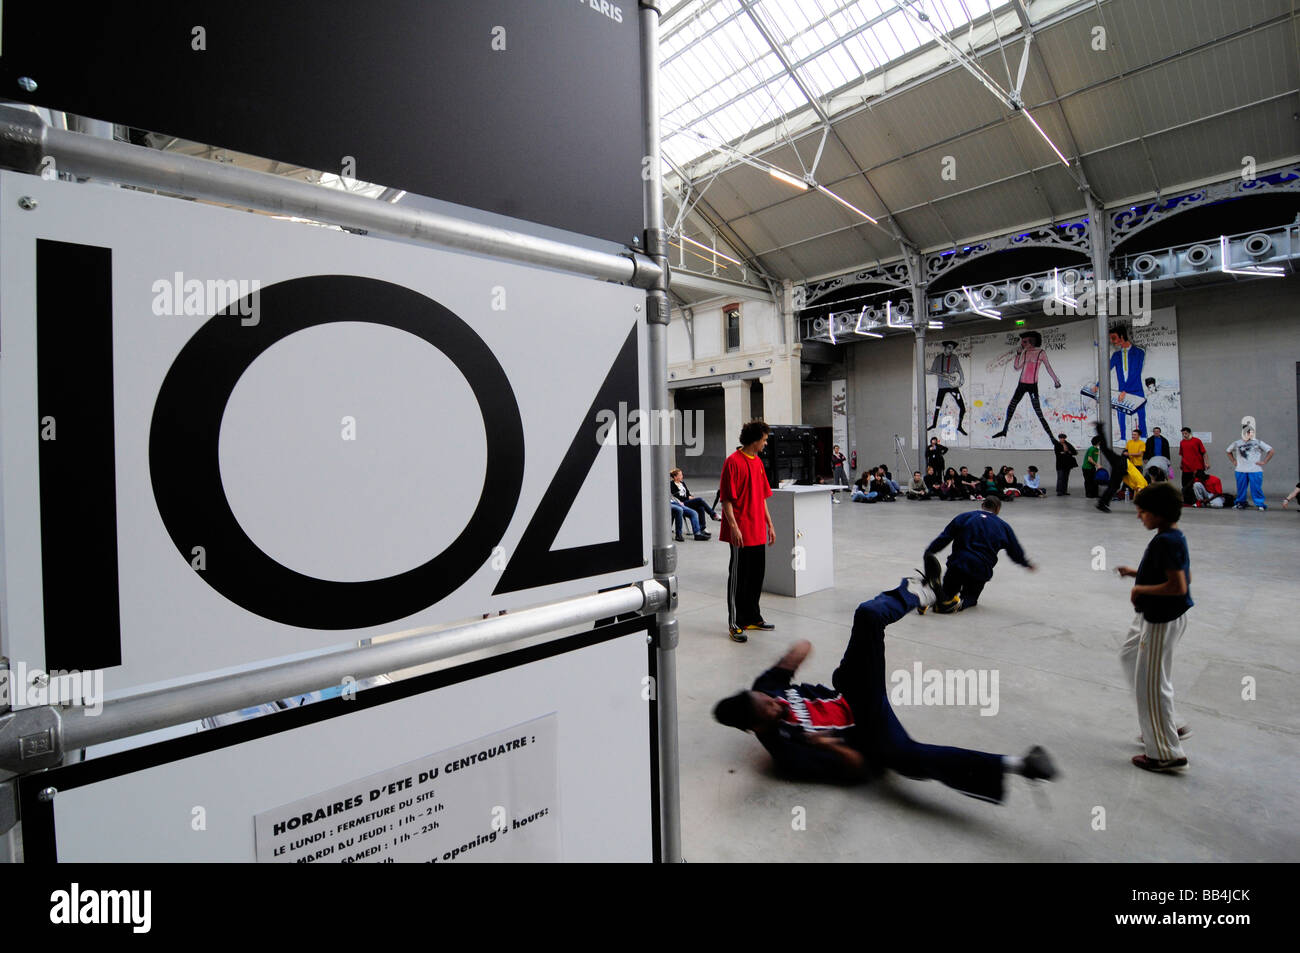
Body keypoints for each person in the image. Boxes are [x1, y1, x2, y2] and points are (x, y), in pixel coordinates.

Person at [712, 577, 1057, 801]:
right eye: (768, 711)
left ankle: (918, 591)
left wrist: (787, 663)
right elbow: (858, 768)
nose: (775, 704)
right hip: (870, 732)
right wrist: (825, 744)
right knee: (911, 759)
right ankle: (1019, 765)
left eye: (768, 700)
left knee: (867, 616)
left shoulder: (766, 690)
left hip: (852, 690)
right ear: (755, 728)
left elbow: (803, 646)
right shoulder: (787, 753)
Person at [1115, 482, 1193, 772]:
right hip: (1156, 616)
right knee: (1129, 655)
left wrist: (1141, 591)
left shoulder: (1166, 541)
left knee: (1151, 684)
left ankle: (1165, 752)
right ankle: (1168, 723)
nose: (1139, 516)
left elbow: (1178, 585)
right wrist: (1137, 573)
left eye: (1142, 511)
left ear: (1158, 513)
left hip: (1161, 619)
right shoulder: (1171, 537)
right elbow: (1184, 574)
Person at [923, 496, 1035, 613]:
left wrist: (930, 551)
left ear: (982, 505)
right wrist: (1026, 564)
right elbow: (1015, 551)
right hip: (980, 569)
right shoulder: (1003, 527)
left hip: (958, 563)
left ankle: (934, 601)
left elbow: (945, 537)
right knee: (970, 597)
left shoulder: (964, 517)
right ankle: (960, 603)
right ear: (998, 509)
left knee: (946, 593)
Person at [719, 421, 776, 642]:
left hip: (757, 530)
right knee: (738, 578)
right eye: (764, 439)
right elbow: (726, 499)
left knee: (756, 576)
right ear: (755, 440)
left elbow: (762, 497)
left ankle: (752, 617)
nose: (766, 442)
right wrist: (734, 527)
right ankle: (735, 622)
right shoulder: (732, 462)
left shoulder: (758, 462)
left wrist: (769, 524)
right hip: (740, 531)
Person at [991, 331, 1061, 443]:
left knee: (1038, 411)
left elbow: (1048, 367)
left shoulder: (1040, 353)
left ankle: (1051, 437)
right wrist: (1018, 355)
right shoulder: (1025, 352)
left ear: (1031, 342)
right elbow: (1017, 367)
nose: (1022, 343)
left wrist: (1056, 381)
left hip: (1032, 385)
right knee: (1012, 406)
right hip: (1022, 384)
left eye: (1024, 341)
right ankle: (1004, 430)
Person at [1095, 422, 1148, 512]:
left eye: (1135, 434)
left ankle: (1099, 428)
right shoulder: (1143, 484)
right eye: (1132, 434)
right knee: (1114, 486)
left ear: (1139, 435)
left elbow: (1138, 453)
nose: (1133, 436)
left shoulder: (1141, 443)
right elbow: (1140, 492)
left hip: (1123, 462)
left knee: (1105, 450)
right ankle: (1101, 503)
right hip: (1124, 465)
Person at [1108, 323, 1147, 441]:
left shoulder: (1139, 352)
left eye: (1114, 338)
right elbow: (1105, 371)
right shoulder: (1116, 355)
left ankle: (1144, 437)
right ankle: (1123, 438)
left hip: (1136, 389)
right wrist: (1097, 385)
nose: (1112, 341)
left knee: (1141, 414)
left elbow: (1136, 373)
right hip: (1122, 391)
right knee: (1121, 415)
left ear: (1122, 336)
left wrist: (1125, 390)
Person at [1225, 425, 1273, 510]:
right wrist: (1234, 461)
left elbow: (1271, 451)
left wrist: (1264, 461)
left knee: (1256, 488)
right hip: (1240, 470)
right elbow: (1228, 451)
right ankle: (1240, 503)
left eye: (1250, 433)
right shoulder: (1237, 443)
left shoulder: (1258, 442)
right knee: (1241, 488)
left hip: (1255, 470)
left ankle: (1260, 504)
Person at [926, 340, 968, 435]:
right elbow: (932, 371)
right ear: (945, 347)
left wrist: (962, 379)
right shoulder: (938, 358)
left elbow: (960, 369)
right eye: (949, 347)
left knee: (962, 407)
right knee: (937, 406)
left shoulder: (954, 357)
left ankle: (960, 426)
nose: (951, 350)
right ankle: (933, 424)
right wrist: (928, 372)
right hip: (942, 386)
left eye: (952, 348)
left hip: (953, 386)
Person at [1178, 427, 1207, 504]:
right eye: (1183, 434)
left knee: (1197, 484)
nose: (1184, 435)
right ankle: (1187, 500)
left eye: (1186, 433)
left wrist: (1206, 462)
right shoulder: (1182, 442)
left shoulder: (1197, 441)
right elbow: (1182, 454)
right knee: (1185, 484)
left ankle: (1198, 500)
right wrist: (1181, 463)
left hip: (1197, 467)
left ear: (1189, 433)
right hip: (1186, 468)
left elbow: (1204, 452)